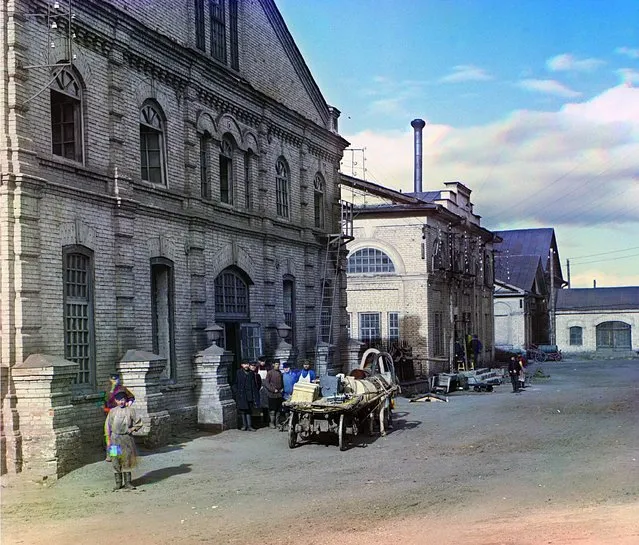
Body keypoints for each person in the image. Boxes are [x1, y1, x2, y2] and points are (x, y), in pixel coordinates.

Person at [105, 391, 143, 491]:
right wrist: (108, 439)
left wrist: (132, 429)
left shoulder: (130, 411)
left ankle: (128, 483)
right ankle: (118, 484)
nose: (121, 402)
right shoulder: (112, 411)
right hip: (114, 439)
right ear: (116, 401)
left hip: (126, 439)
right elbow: (107, 426)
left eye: (123, 400)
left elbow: (138, 423)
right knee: (115, 460)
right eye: (119, 400)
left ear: (125, 400)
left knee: (127, 460)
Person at [103, 373, 135, 461]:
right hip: (110, 414)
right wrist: (105, 411)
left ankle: (125, 454)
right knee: (108, 434)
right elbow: (104, 401)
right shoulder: (107, 389)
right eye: (112, 379)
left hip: (121, 413)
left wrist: (129, 403)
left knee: (121, 434)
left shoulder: (122, 389)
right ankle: (112, 454)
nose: (114, 381)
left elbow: (131, 397)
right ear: (110, 379)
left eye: (116, 379)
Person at [235, 361, 261, 431]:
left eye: (247, 364)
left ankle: (249, 426)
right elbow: (236, 383)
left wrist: (254, 394)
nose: (246, 366)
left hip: (249, 395)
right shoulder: (238, 372)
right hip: (242, 394)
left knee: (249, 410)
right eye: (244, 364)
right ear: (242, 365)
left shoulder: (251, 373)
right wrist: (237, 392)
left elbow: (254, 385)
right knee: (243, 411)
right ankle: (244, 425)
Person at [264, 360, 284, 429]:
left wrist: (282, 388)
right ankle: (271, 423)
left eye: (278, 364)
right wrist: (272, 389)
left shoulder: (280, 373)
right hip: (272, 395)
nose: (277, 365)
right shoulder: (270, 373)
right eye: (276, 364)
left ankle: (277, 423)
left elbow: (282, 383)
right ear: (273, 365)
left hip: (279, 394)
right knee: (272, 410)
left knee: (278, 410)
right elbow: (266, 383)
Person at [256, 356, 270, 425]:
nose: (263, 363)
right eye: (261, 361)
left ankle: (267, 419)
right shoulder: (256, 368)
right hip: (259, 387)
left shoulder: (268, 368)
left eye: (264, 361)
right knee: (260, 404)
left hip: (266, 387)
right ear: (259, 361)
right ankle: (259, 419)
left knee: (267, 404)